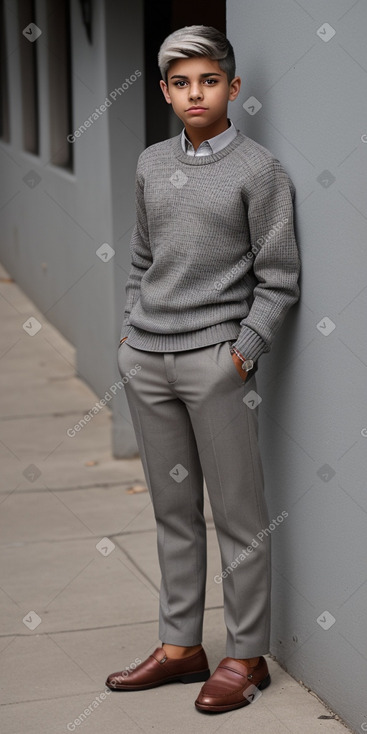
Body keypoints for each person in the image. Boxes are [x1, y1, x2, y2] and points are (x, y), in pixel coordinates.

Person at [106, 24, 300, 714]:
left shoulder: (258, 171)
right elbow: (139, 260)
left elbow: (278, 280)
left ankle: (245, 657)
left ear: (232, 88)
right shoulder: (149, 164)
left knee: (239, 516)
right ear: (164, 91)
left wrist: (242, 352)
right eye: (181, 82)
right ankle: (181, 648)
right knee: (172, 512)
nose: (196, 93)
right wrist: (129, 333)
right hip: (147, 358)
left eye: (208, 80)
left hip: (214, 362)